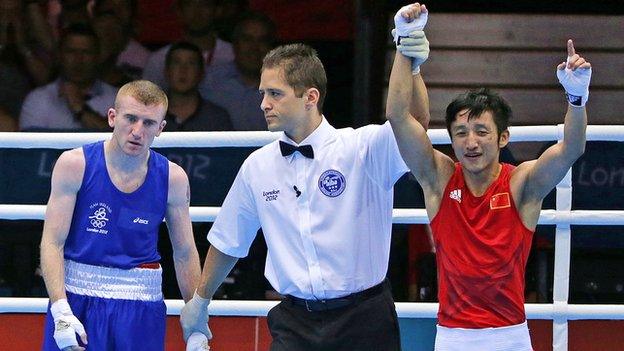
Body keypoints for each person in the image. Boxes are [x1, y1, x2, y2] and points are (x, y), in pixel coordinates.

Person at [180, 41, 429, 350]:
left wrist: (410, 63)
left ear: (311, 97)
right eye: (263, 94)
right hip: (295, 323)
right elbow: (229, 240)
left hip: (364, 320)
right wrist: (201, 299)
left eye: (275, 94)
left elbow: (414, 126)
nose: (263, 104)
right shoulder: (257, 167)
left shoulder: (362, 148)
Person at [386, 3, 591, 350]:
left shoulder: (521, 185)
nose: (471, 142)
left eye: (481, 131)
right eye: (462, 132)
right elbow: (397, 115)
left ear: (503, 137)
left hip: (509, 336)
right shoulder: (438, 179)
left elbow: (571, 148)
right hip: (451, 336)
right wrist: (405, 45)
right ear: (451, 139)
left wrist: (576, 98)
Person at [39, 80, 202, 350]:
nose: (137, 131)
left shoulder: (173, 178)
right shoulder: (74, 164)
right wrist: (60, 309)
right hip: (77, 298)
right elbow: (52, 242)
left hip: (141, 305)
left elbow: (184, 252)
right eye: (131, 118)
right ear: (112, 117)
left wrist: (196, 320)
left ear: (161, 129)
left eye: (148, 123)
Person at [19, 24, 118, 131]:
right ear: (59, 55)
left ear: (97, 56)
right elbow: (30, 146)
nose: (79, 60)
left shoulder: (117, 99)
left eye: (86, 52)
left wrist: (80, 108)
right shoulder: (38, 99)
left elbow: (120, 141)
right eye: (71, 52)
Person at [199, 11, 276, 131]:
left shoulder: (286, 84)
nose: (254, 48)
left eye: (262, 40)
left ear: (271, 47)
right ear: (235, 44)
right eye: (247, 39)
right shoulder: (209, 81)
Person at [142, 0, 234, 90]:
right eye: (189, 4)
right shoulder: (159, 61)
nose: (197, 12)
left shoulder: (233, 56)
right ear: (179, 11)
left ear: (218, 11)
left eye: (205, 5)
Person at [164, 41, 233, 131]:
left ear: (201, 73)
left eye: (191, 63)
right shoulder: (149, 115)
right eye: (176, 63)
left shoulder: (217, 118)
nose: (183, 70)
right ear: (166, 71)